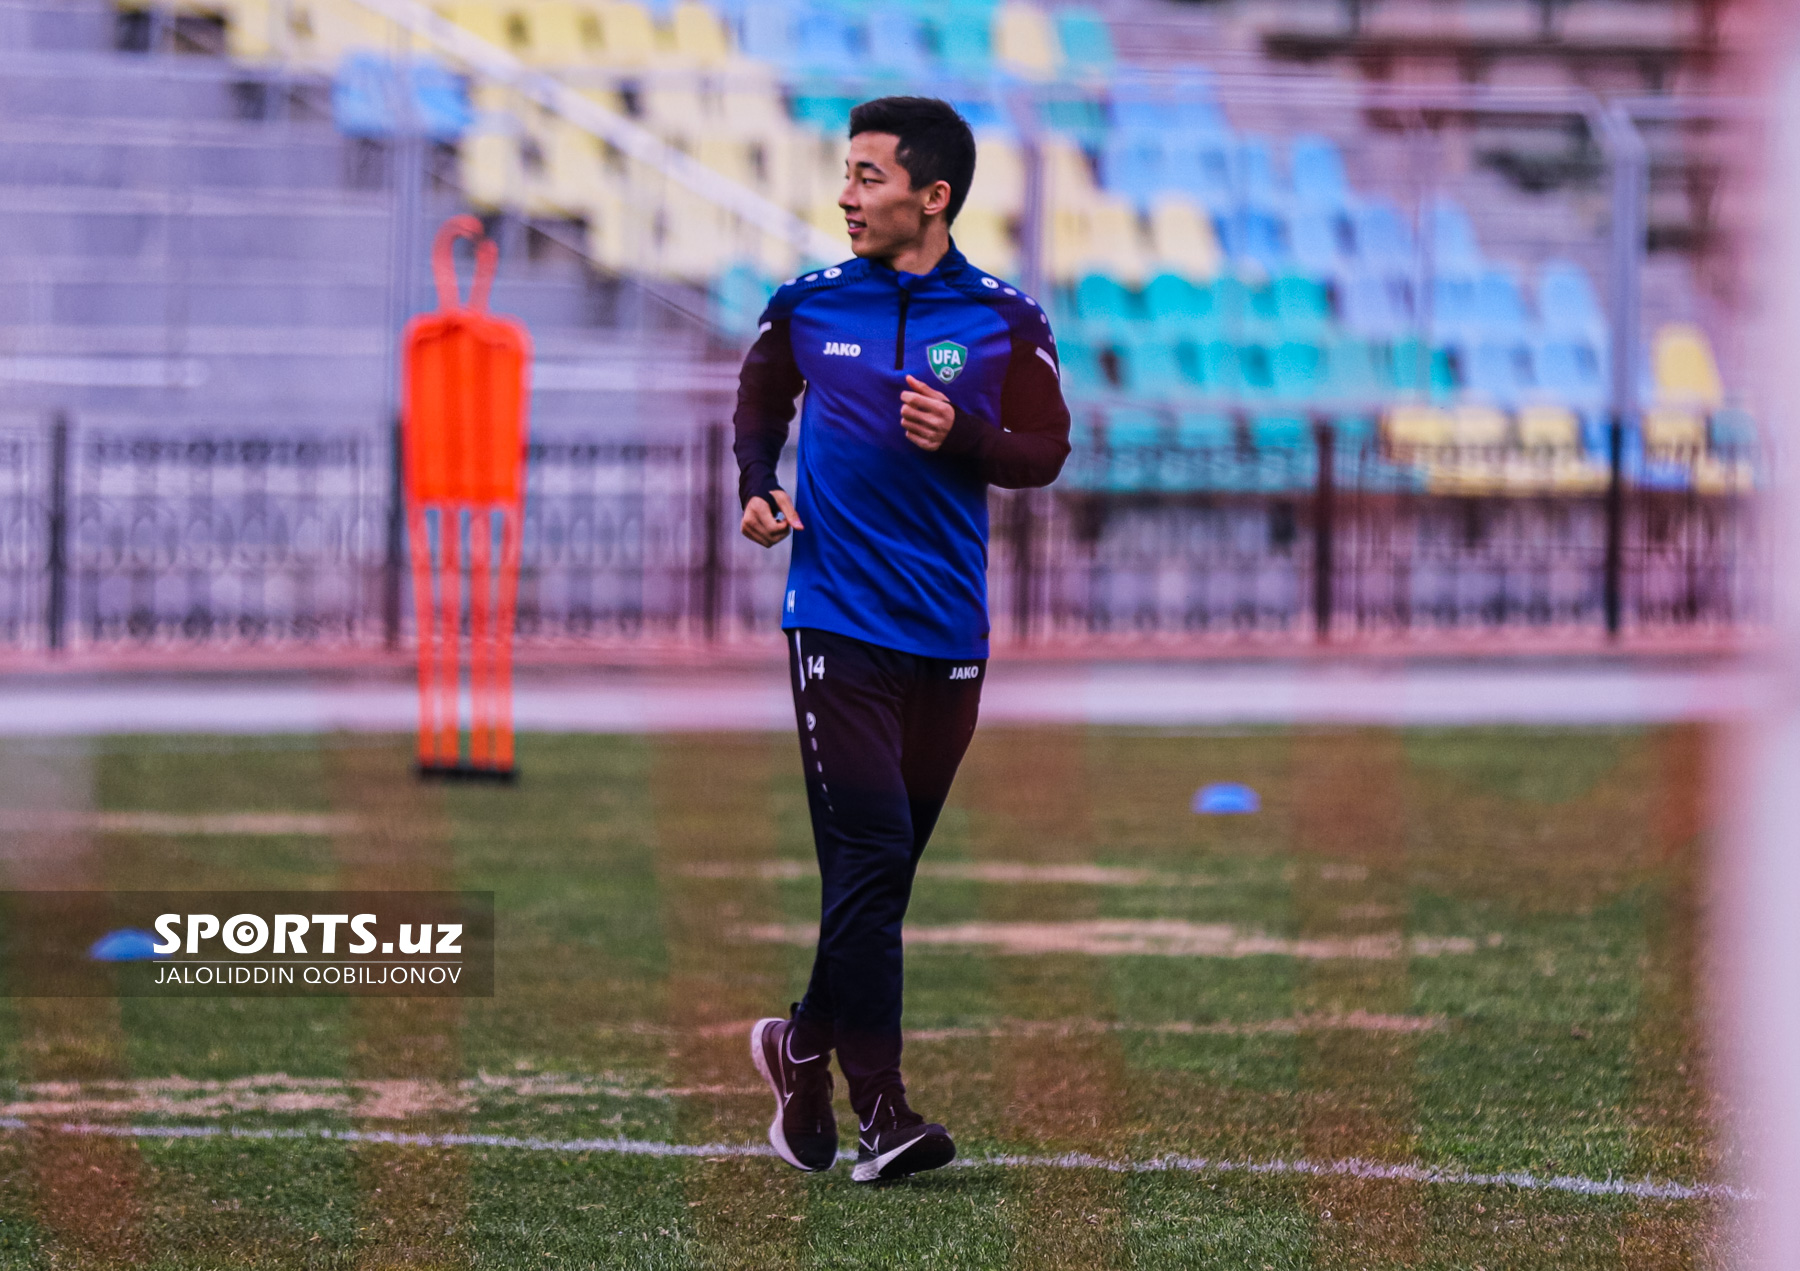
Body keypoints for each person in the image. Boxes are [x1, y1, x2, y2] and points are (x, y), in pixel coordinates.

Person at [735, 96, 1071, 1183]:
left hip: (950, 634)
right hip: (834, 620)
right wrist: (755, 484)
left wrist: (965, 433)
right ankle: (883, 1115)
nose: (846, 194)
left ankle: (799, 1046)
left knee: (881, 877)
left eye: (868, 176)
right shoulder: (808, 302)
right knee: (874, 859)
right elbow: (760, 397)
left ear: (933, 196)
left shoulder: (1005, 317)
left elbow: (1045, 448)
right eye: (843, 174)